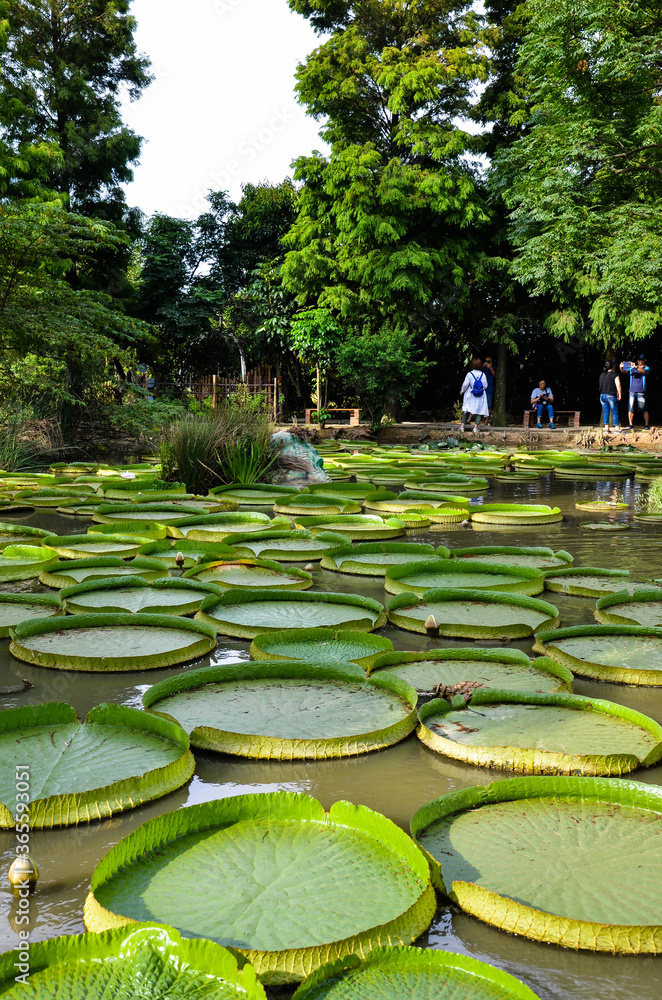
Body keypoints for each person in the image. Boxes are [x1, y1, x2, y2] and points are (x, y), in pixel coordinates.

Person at [620, 355, 650, 429]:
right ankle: (630, 424)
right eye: (638, 360)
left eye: (641, 360)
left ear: (644, 360)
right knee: (630, 408)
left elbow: (644, 371)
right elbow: (624, 371)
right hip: (632, 391)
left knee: (644, 409)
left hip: (641, 391)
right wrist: (621, 367)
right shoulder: (632, 369)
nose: (639, 361)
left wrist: (636, 367)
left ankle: (646, 425)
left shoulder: (646, 367)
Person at [459, 358, 488, 433]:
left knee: (466, 409)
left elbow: (465, 384)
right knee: (479, 411)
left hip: (470, 394)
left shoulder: (469, 374)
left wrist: (462, 391)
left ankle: (462, 426)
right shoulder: (483, 374)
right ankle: (475, 428)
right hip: (480, 395)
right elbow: (485, 385)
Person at [598, 361, 622, 432]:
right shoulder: (615, 375)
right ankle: (617, 428)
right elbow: (618, 385)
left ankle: (606, 429)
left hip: (602, 395)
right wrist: (620, 394)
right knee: (614, 412)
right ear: (613, 366)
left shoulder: (601, 375)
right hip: (610, 395)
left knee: (605, 411)